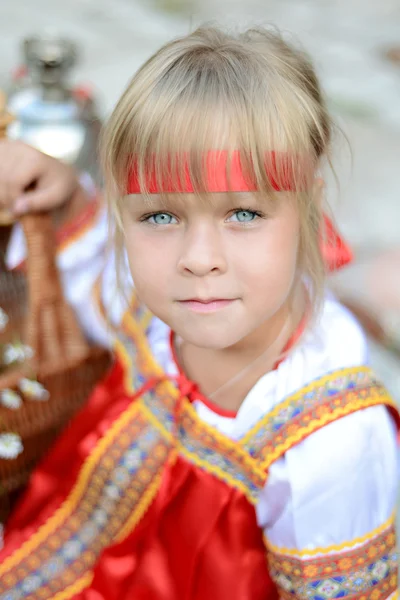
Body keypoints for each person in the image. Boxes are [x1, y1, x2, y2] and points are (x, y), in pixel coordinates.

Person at [0, 25, 398, 600]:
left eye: (243, 213)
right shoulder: (148, 305)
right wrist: (65, 199)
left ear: (309, 204)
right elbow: (91, 274)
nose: (199, 260)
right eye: (160, 216)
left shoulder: (329, 442)